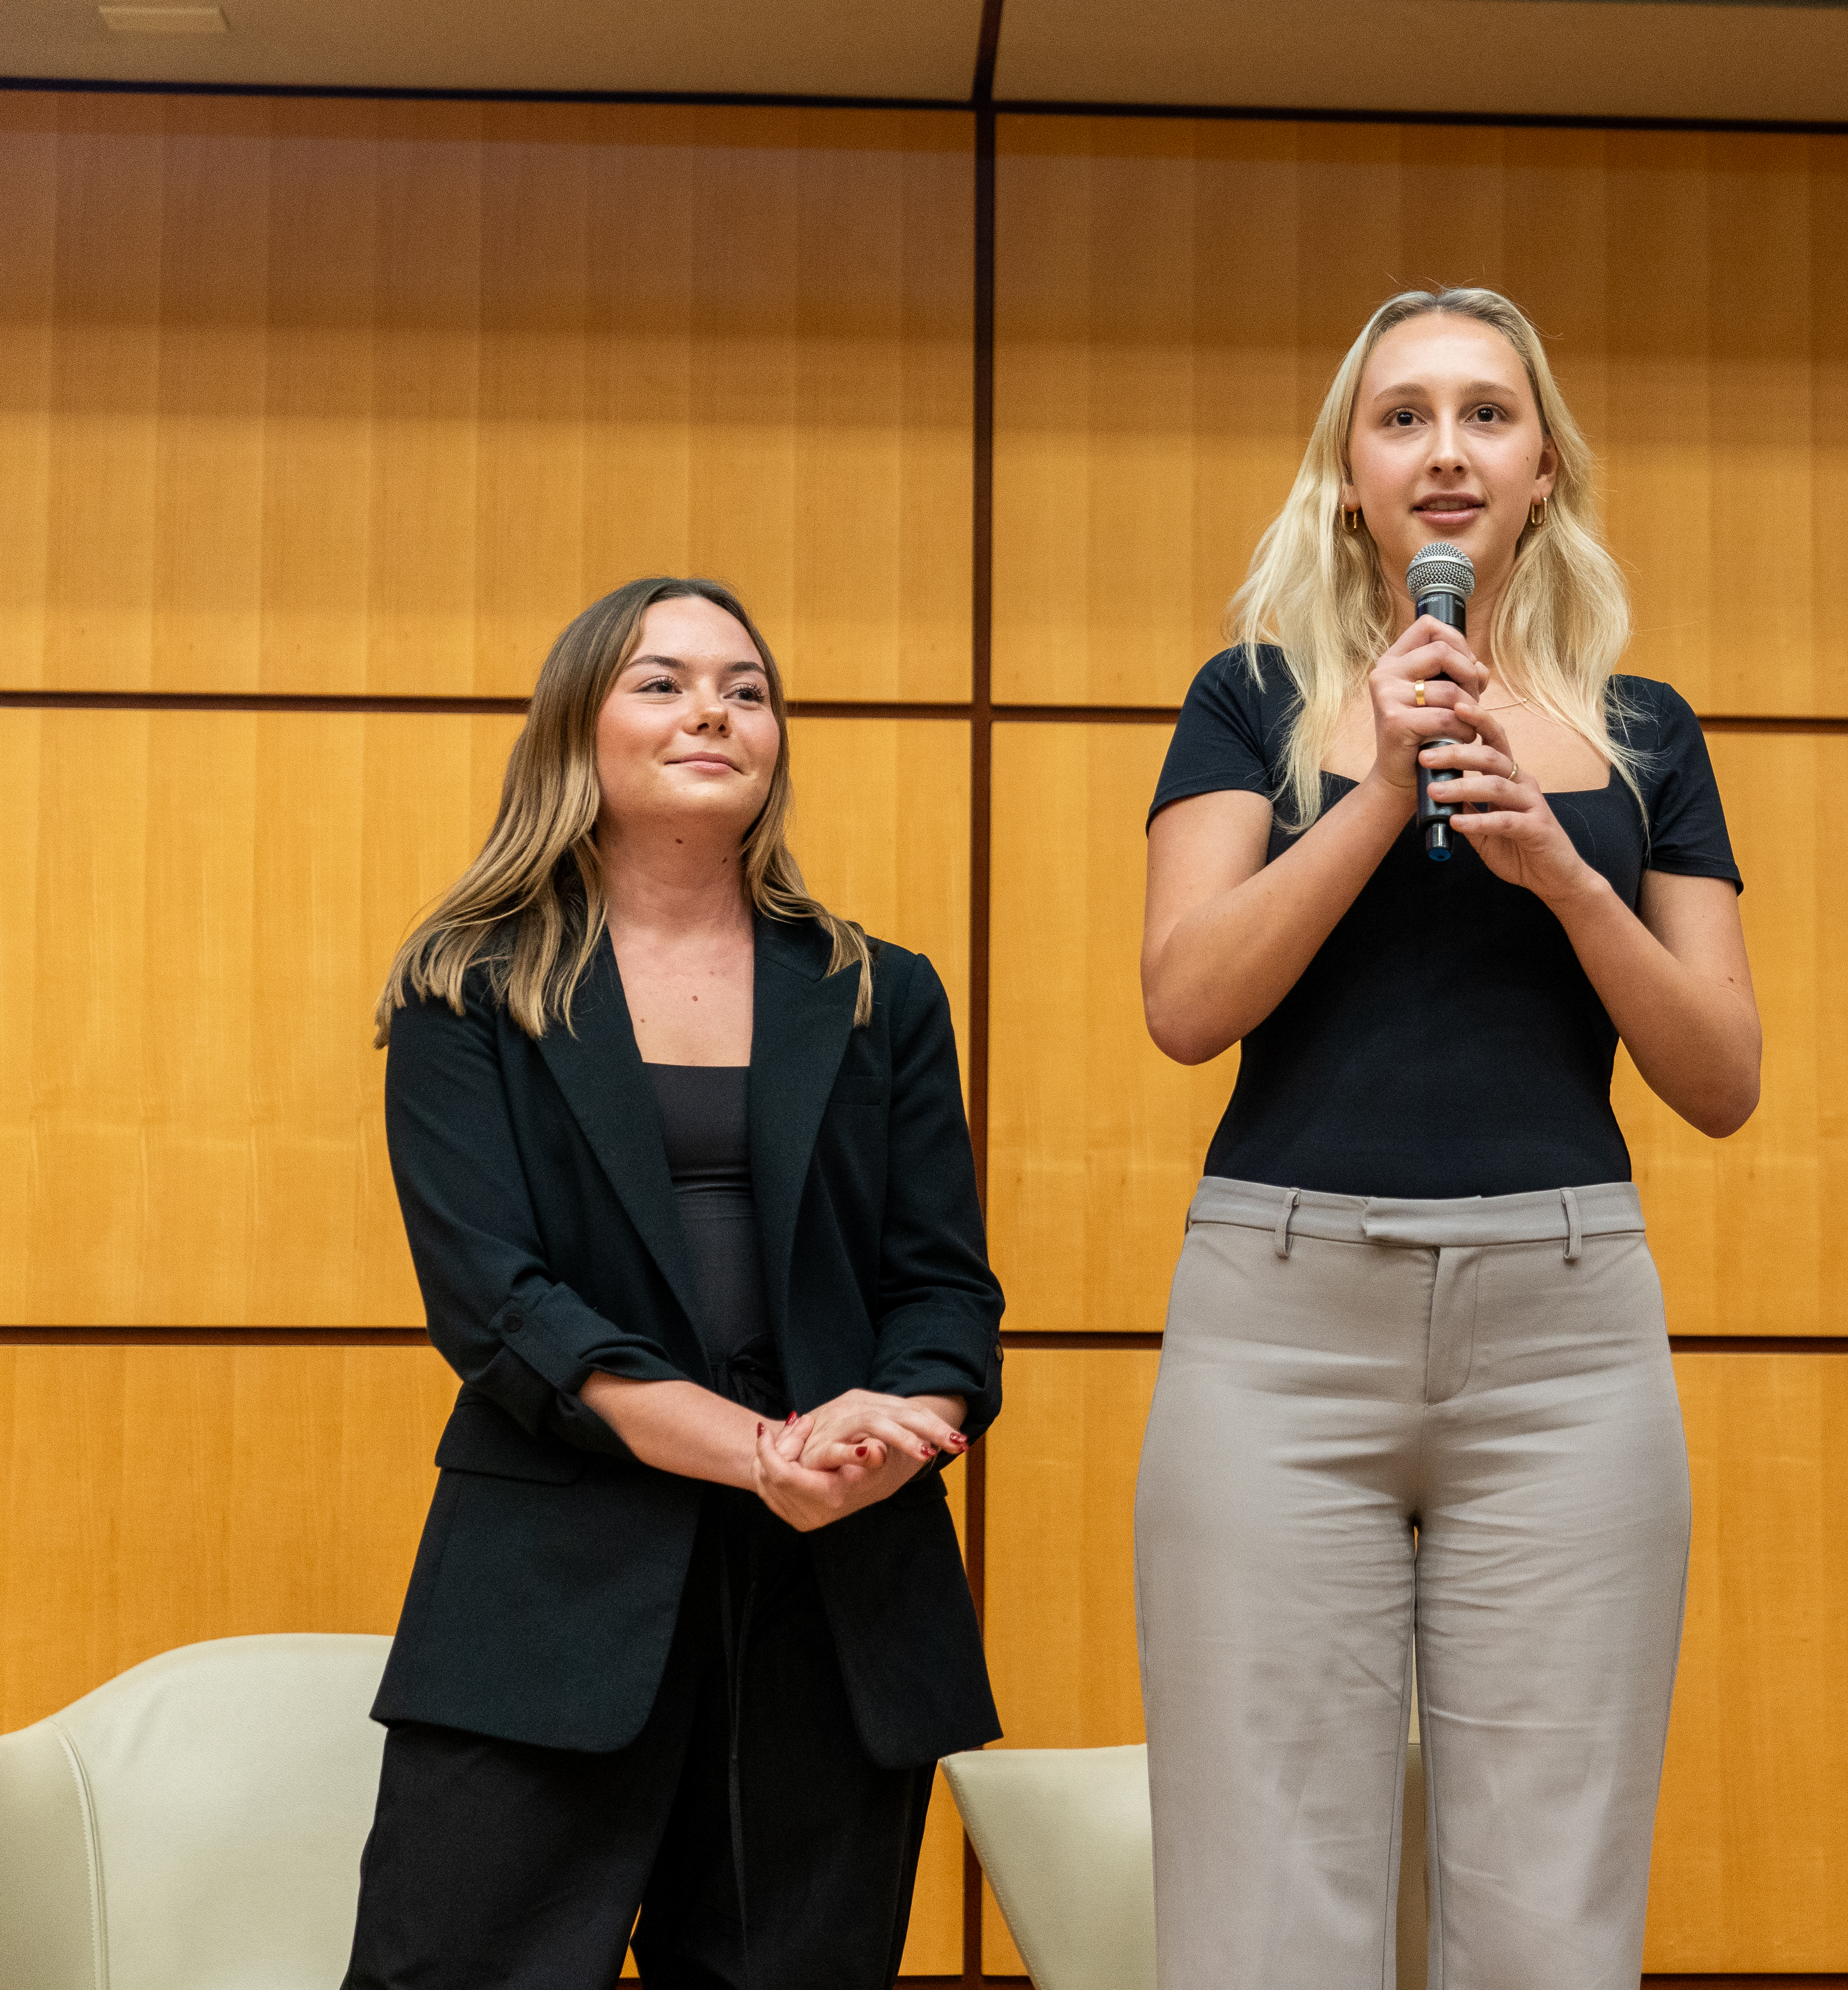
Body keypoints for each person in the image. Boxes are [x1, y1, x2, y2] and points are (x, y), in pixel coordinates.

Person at [1134, 287, 1761, 1990]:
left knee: (1553, 1911)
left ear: (1545, 466)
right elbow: (1188, 1003)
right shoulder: (1250, 698)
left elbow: (1720, 1074)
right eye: (1402, 416)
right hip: (1279, 1329)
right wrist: (1382, 796)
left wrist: (1562, 873)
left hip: (1567, 1339)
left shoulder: (1646, 735)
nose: (1447, 449)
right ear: (1351, 477)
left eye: (1488, 413)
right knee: (1266, 1905)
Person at [346, 577, 1003, 1990]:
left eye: (746, 687)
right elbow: (501, 1307)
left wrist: (891, 1433)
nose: (713, 708)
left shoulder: (882, 993)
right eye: (661, 681)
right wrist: (757, 1452)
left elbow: (945, 1290)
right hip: (549, 1598)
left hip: (839, 1594)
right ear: (575, 733)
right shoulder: (466, 990)